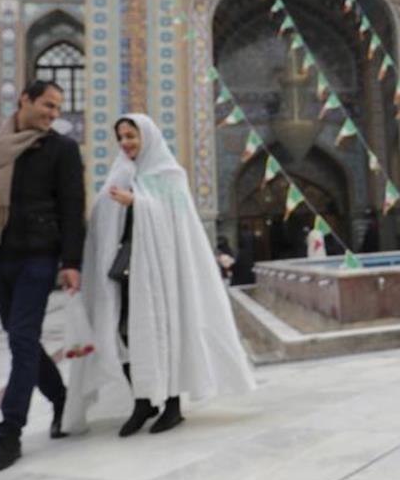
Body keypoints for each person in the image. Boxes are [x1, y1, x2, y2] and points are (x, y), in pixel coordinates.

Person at [61, 114, 256, 437]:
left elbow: (177, 222)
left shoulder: (169, 175)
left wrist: (138, 202)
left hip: (162, 274)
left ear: (147, 137)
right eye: (121, 137)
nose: (125, 143)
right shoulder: (120, 172)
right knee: (123, 333)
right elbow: (102, 217)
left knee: (163, 330)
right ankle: (143, 400)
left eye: (131, 136)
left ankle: (172, 405)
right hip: (123, 271)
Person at [0, 79, 84, 474]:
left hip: (38, 253)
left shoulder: (61, 149)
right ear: (25, 100)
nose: (53, 115)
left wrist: (71, 261)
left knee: (20, 340)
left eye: (57, 109)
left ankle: (9, 432)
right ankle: (62, 399)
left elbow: (72, 207)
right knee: (24, 339)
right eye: (47, 106)